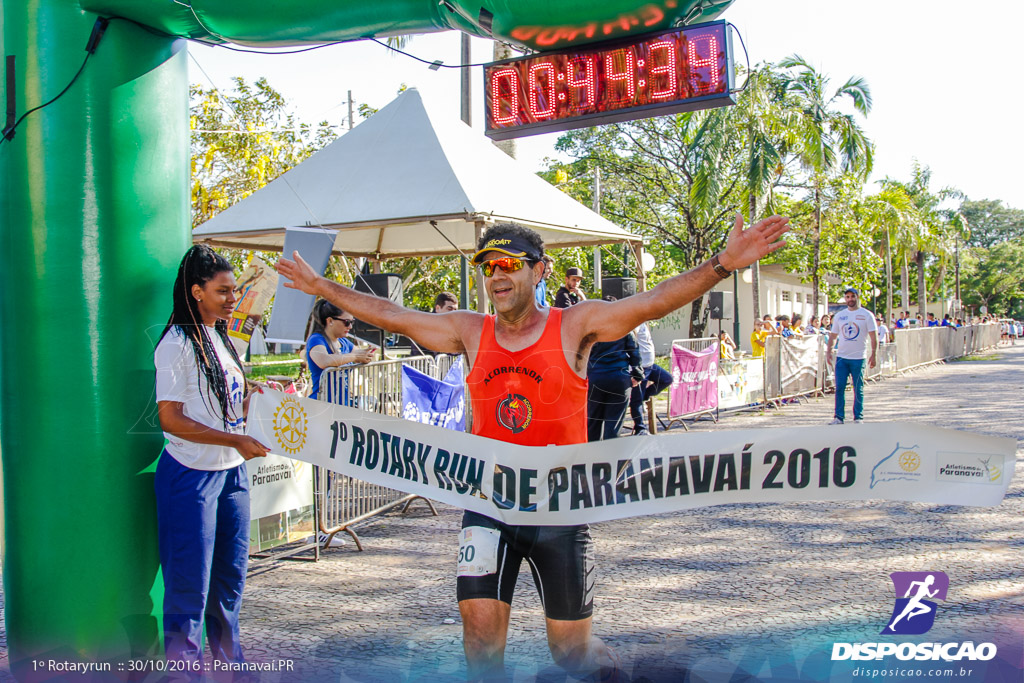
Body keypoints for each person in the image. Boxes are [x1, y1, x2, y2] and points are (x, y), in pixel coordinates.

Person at [277, 213, 790, 680]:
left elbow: (652, 301)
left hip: (559, 510)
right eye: (487, 266)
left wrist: (723, 265)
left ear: (540, 270)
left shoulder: (574, 325)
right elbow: (390, 314)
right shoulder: (469, 331)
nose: (497, 275)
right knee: (480, 644)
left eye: (510, 265)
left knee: (571, 654)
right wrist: (322, 286)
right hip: (488, 507)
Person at [153, 245, 270, 672]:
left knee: (228, 585)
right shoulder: (175, 343)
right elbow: (171, 419)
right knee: (189, 590)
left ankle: (230, 667)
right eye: (223, 291)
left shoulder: (219, 339)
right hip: (190, 477)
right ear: (197, 291)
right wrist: (233, 440)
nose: (233, 298)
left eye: (234, 290)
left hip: (231, 475)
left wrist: (258, 402)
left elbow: (223, 407)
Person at [587, 299, 644, 441]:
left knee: (592, 422)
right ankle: (610, 460)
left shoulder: (592, 327)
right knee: (614, 423)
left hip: (596, 378)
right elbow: (634, 351)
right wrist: (637, 374)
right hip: (619, 377)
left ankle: (589, 458)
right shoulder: (624, 326)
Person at [826, 287, 878, 424]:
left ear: (857, 297)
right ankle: (838, 417)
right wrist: (829, 351)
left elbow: (873, 336)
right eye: (847, 297)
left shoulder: (867, 315)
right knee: (840, 388)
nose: (850, 299)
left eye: (852, 296)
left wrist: (874, 354)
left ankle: (858, 417)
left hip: (859, 357)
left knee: (858, 388)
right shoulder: (839, 316)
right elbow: (833, 336)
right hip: (842, 357)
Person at [305, 299, 375, 401]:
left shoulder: (344, 342)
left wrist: (367, 353)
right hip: (323, 405)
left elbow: (361, 355)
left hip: (342, 405)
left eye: (352, 322)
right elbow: (324, 361)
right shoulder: (316, 339)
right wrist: (355, 356)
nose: (350, 327)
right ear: (330, 321)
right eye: (346, 322)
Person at [629, 321, 673, 435]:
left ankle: (645, 395)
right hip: (641, 366)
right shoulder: (636, 321)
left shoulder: (644, 322)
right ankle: (640, 428)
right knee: (636, 400)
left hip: (650, 365)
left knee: (667, 379)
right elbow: (632, 337)